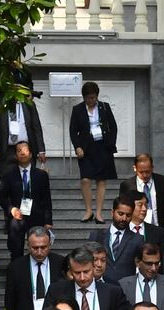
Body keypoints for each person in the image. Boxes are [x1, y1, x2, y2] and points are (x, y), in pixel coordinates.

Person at [44, 246, 129, 310]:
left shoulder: (112, 292)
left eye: (86, 271)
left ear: (94, 267)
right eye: (77, 273)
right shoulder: (57, 291)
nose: (82, 277)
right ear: (70, 271)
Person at [4, 227, 63, 310]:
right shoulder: (16, 267)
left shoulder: (60, 263)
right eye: (35, 248)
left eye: (44, 247)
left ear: (50, 244)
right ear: (27, 245)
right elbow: (10, 303)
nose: (39, 252)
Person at [69, 81, 118, 223]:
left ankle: (98, 213)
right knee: (85, 179)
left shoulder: (104, 107)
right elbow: (73, 131)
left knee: (101, 180)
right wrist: (77, 146)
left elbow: (113, 126)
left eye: (93, 97)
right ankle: (88, 211)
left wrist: (111, 143)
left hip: (103, 146)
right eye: (88, 97)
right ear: (84, 97)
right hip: (86, 148)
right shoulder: (77, 109)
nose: (91, 100)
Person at [0, 142, 52, 259]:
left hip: (37, 215)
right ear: (16, 155)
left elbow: (46, 198)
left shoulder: (41, 175)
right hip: (18, 216)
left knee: (38, 248)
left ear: (31, 154)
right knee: (16, 248)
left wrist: (48, 220)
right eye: (19, 150)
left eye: (26, 150)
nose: (22, 153)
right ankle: (16, 268)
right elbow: (1, 197)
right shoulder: (9, 175)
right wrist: (11, 209)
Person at [91, 196, 146, 286]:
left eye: (128, 215)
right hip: (101, 287)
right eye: (120, 214)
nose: (124, 219)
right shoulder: (97, 236)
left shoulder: (138, 239)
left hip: (126, 288)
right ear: (112, 212)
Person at [0, 96, 46, 177]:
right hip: (6, 150)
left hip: (26, 149)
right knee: (7, 181)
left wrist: (41, 150)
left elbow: (36, 127)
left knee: (27, 180)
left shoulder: (28, 104)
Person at [118, 153, 164, 228]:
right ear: (135, 168)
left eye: (147, 171)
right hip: (136, 230)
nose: (145, 175)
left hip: (160, 229)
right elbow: (123, 208)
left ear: (152, 168)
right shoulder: (127, 186)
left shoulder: (163, 182)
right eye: (141, 172)